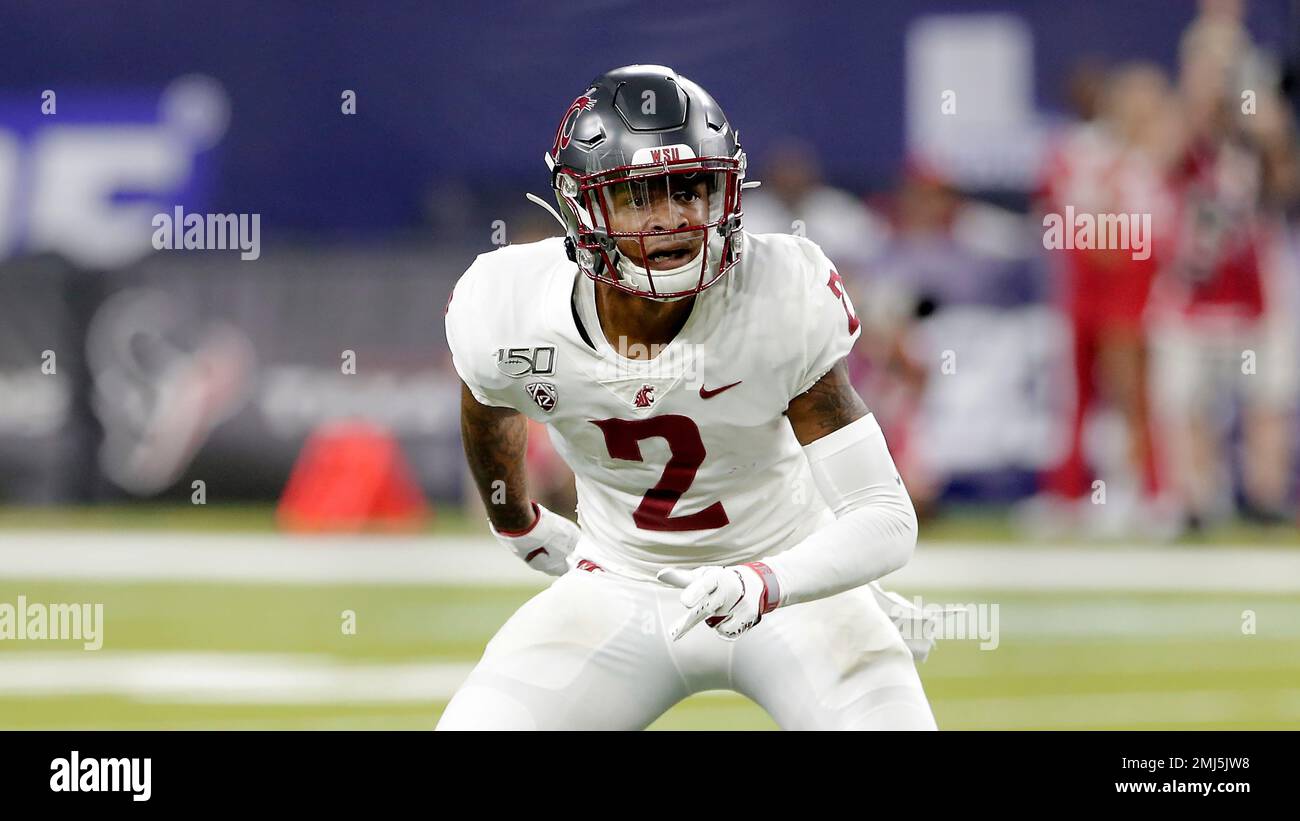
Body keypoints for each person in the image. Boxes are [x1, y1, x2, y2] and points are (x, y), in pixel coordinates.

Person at [438, 65, 936, 730]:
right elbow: (488, 398)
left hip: (787, 583)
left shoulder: (780, 291)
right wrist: (517, 521)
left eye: (691, 189)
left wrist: (776, 579)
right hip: (618, 584)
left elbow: (885, 516)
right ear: (581, 206)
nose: (672, 218)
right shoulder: (508, 302)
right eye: (638, 195)